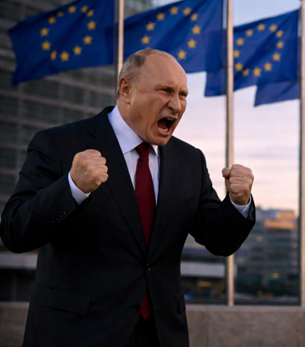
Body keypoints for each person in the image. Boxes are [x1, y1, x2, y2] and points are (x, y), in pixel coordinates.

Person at [0, 48, 256, 347]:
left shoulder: (190, 160)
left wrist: (239, 202)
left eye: (183, 95)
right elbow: (15, 231)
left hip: (161, 335)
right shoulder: (58, 143)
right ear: (126, 90)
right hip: (76, 334)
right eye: (165, 91)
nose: (176, 104)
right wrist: (73, 187)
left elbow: (219, 240)